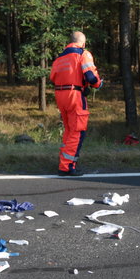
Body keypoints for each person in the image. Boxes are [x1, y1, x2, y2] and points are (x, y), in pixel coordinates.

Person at [50, 31, 103, 176]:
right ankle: (67, 166)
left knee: (68, 130)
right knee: (77, 131)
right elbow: (91, 77)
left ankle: (64, 162)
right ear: (83, 43)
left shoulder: (60, 58)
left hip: (60, 95)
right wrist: (98, 84)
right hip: (75, 95)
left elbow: (53, 77)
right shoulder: (83, 54)